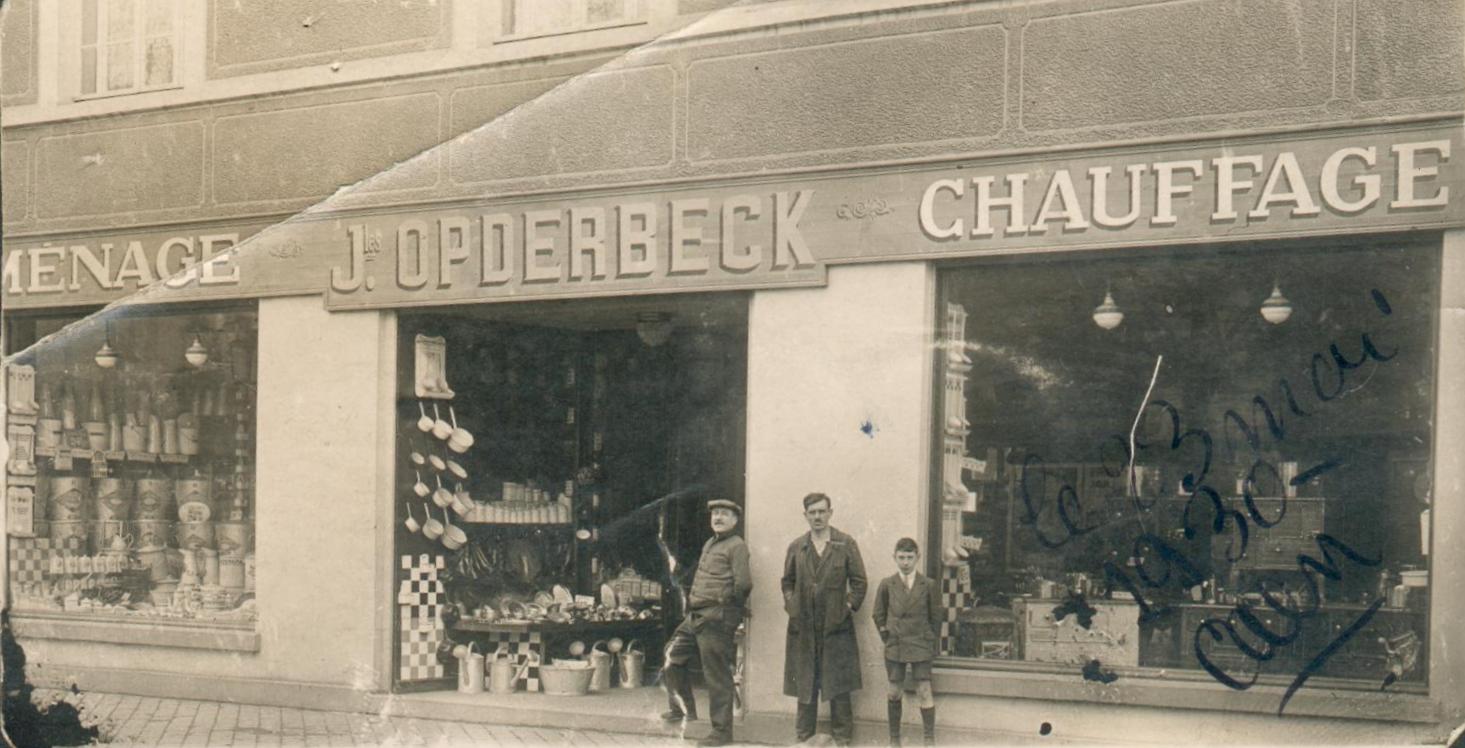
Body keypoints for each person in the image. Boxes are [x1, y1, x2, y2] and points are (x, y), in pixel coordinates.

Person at [662, 498, 751, 748]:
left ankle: (722, 733)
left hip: (716, 618)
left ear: (735, 520)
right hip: (696, 616)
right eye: (715, 514)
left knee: (717, 676)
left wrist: (725, 607)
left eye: (724, 514)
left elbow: (744, 584)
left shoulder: (737, 546)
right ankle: (682, 709)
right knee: (672, 654)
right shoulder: (710, 543)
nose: (718, 518)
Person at [782, 492, 867, 746]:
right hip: (804, 628)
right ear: (805, 515)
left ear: (830, 513)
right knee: (805, 685)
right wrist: (792, 605)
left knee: (839, 686)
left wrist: (847, 608)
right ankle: (802, 740)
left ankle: (842, 741)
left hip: (836, 627)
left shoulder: (845, 543)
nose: (817, 516)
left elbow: (860, 583)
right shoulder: (797, 546)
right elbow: (787, 582)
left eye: (822, 511)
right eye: (812, 512)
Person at [872, 538, 942, 747]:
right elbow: (878, 613)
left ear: (917, 558)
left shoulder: (928, 584)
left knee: (924, 691)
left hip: (920, 644)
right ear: (894, 557)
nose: (905, 562)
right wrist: (888, 636)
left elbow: (936, 616)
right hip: (896, 645)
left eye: (910, 557)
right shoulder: (887, 584)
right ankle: (895, 740)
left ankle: (929, 740)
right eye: (901, 557)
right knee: (894, 691)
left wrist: (929, 640)